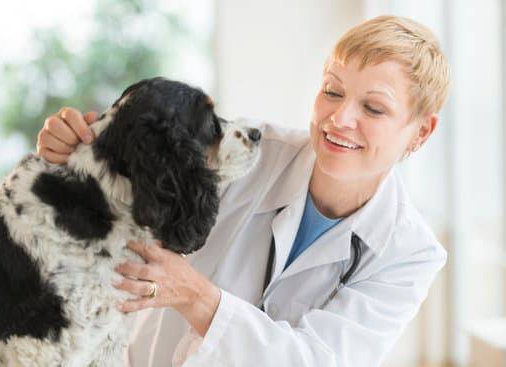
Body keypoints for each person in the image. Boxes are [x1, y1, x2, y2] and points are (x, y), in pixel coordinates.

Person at [36, 15, 450, 367]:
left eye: (373, 108)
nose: (340, 118)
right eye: (332, 91)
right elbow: (123, 191)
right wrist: (71, 154)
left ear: (421, 132)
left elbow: (317, 359)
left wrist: (198, 298)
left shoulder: (408, 253)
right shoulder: (242, 153)